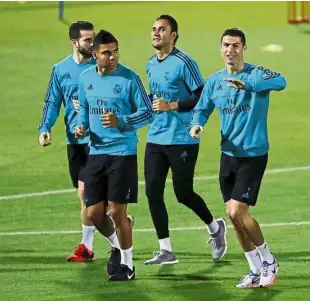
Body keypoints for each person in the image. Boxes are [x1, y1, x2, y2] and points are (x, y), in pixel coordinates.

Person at [189, 28, 286, 289]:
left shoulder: (257, 73)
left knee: (238, 211)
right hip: (228, 155)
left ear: (244, 48)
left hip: (253, 154)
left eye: (235, 45)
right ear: (220, 49)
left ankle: (269, 261)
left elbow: (281, 81)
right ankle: (254, 270)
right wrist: (196, 124)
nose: (230, 50)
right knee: (232, 217)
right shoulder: (214, 81)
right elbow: (202, 108)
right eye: (225, 45)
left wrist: (250, 85)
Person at [143, 14, 227, 265]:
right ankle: (166, 250)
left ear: (174, 35)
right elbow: (154, 96)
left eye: (162, 29)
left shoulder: (184, 63)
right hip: (156, 136)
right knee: (152, 192)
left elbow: (202, 98)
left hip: (182, 137)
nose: (156, 33)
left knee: (183, 193)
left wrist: (171, 105)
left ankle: (215, 228)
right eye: (154, 29)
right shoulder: (150, 64)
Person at [76, 29, 153, 281]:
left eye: (115, 51)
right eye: (107, 53)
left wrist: (122, 120)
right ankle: (117, 247)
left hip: (122, 152)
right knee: (93, 213)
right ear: (95, 54)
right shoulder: (86, 78)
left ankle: (128, 267)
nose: (113, 57)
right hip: (97, 152)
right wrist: (82, 127)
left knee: (116, 212)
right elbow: (84, 110)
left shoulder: (130, 79)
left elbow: (148, 113)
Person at [37, 21, 98, 262]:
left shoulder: (100, 66)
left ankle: (88, 246)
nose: (92, 44)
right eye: (87, 40)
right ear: (74, 42)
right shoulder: (61, 69)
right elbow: (52, 101)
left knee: (87, 192)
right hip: (75, 142)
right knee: (84, 197)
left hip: (100, 141)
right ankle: (114, 225)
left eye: (93, 38)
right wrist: (45, 127)